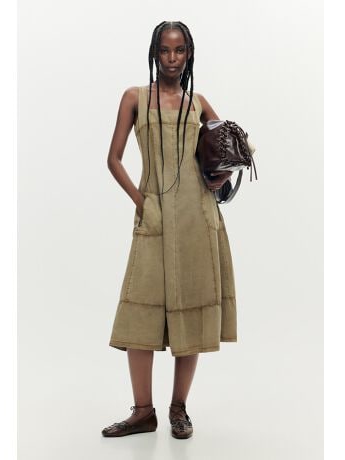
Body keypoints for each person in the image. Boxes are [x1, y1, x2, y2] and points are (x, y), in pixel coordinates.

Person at [102, 21, 237, 439]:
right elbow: (113, 159)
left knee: (191, 315)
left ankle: (179, 409)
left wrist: (222, 176)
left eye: (180, 51)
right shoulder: (135, 98)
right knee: (139, 313)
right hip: (155, 216)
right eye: (165, 50)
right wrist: (143, 202)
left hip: (197, 218)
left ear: (189, 54)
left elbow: (230, 149)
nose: (172, 59)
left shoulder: (198, 103)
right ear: (154, 53)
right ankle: (143, 412)